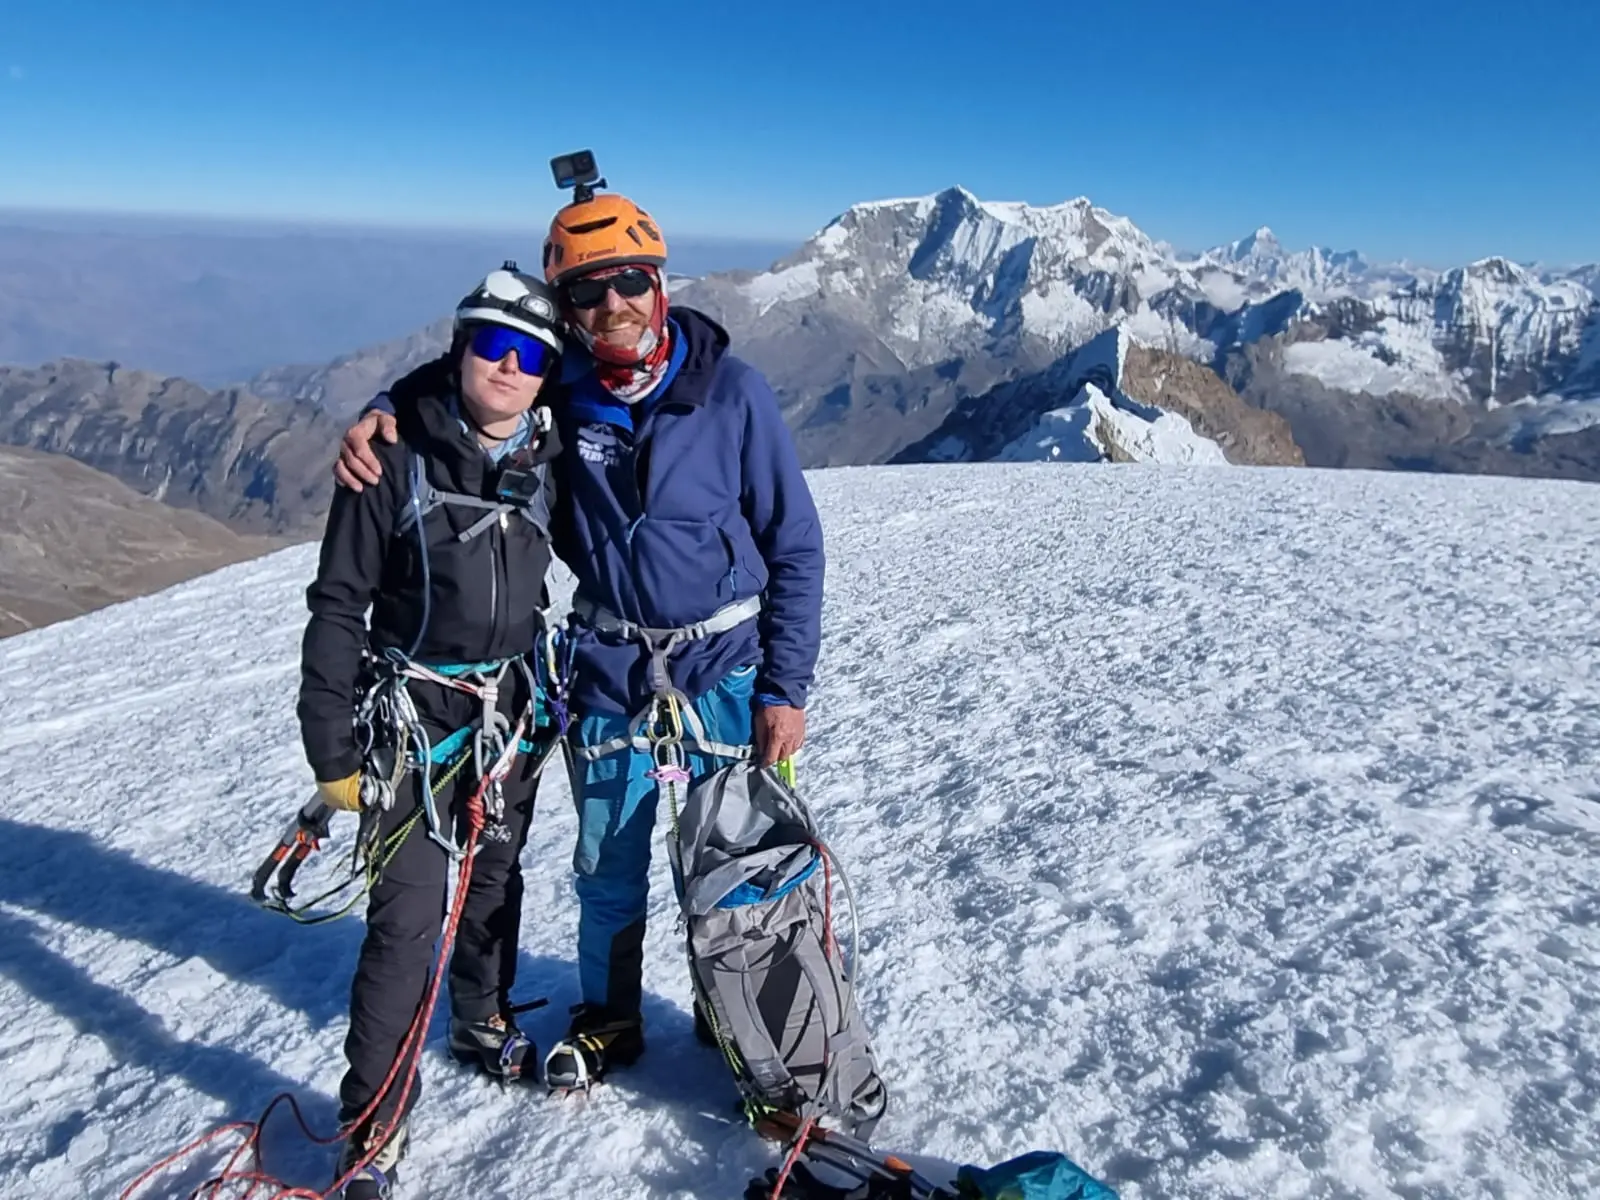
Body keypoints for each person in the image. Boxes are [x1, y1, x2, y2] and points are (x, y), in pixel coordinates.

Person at [333, 183, 825, 1091]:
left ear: (660, 281)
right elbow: (469, 379)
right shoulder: (560, 386)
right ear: (566, 309)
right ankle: (611, 1015)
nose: (613, 306)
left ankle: (737, 1008)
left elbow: (794, 543)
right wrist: (382, 405)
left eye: (630, 281)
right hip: (608, 666)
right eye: (589, 293)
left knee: (729, 858)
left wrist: (784, 688)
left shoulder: (732, 395)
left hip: (723, 665)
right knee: (607, 859)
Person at [299, 264, 565, 1198]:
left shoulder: (551, 455)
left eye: (530, 353)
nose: (507, 365)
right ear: (457, 348)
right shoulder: (389, 459)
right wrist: (331, 749)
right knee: (407, 921)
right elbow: (338, 605)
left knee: (494, 875)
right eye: (489, 343)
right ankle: (370, 1132)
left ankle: (479, 1019)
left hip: (508, 714)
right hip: (411, 722)